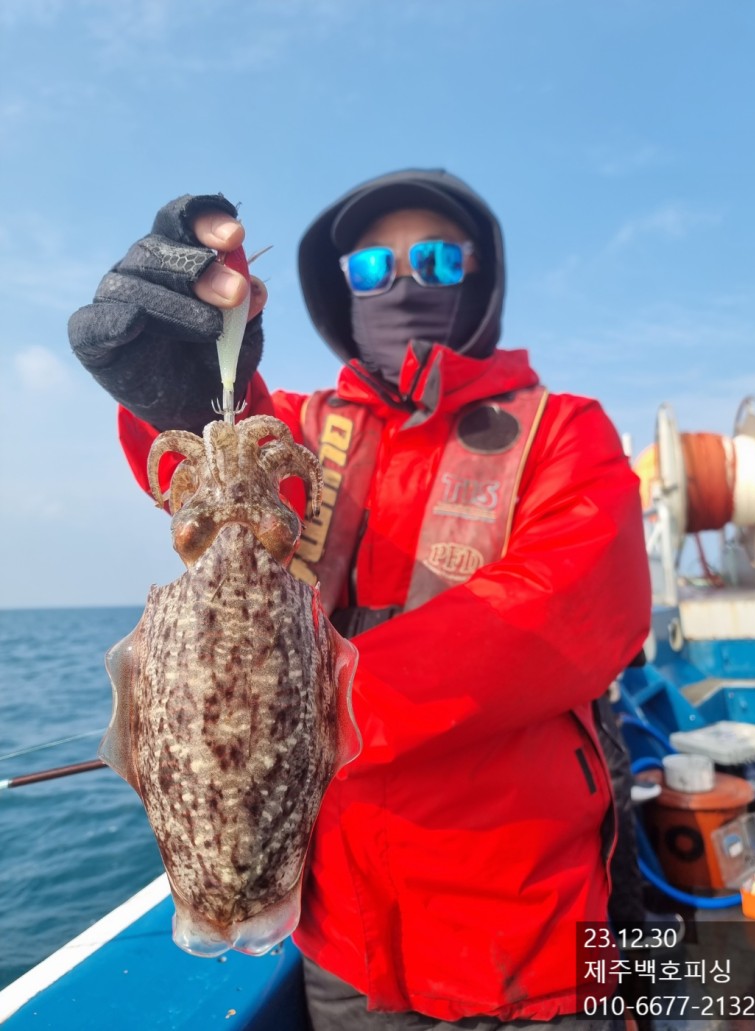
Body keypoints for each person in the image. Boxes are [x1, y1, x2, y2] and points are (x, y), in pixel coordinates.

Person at [69, 170, 651, 1030]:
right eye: (373, 266)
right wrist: (174, 403)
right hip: (343, 944)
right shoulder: (302, 433)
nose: (405, 283)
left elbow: (569, 613)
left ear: (479, 277)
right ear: (341, 289)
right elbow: (219, 497)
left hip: (531, 944)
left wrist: (279, 699)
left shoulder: (561, 430)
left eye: (436, 260)